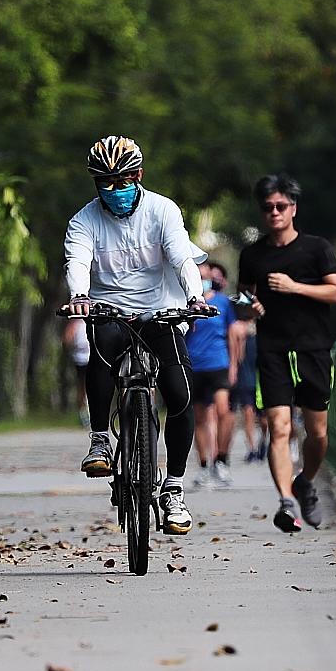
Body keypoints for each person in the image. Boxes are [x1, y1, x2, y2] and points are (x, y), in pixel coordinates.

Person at [64, 135, 214, 535]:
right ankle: (100, 439)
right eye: (105, 183)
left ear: (139, 175)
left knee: (181, 395)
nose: (116, 190)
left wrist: (194, 299)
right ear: (96, 185)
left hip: (159, 312)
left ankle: (174, 488)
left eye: (123, 180)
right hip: (109, 311)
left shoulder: (163, 210)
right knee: (101, 352)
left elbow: (182, 257)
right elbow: (77, 259)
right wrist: (79, 296)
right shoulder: (84, 220)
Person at [237, 174, 336, 533]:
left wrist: (295, 286)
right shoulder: (252, 255)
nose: (274, 213)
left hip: (313, 348)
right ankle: (285, 501)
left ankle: (305, 482)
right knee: (279, 427)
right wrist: (250, 308)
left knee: (317, 433)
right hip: (272, 350)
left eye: (281, 206)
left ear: (293, 209)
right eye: (267, 208)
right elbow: (242, 300)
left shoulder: (317, 249)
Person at [186, 262, 234, 488]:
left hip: (219, 362)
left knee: (224, 411)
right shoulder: (185, 303)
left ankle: (221, 459)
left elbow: (232, 333)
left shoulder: (223, 302)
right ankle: (204, 464)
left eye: (206, 276)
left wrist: (233, 365)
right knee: (199, 417)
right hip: (194, 365)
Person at [227, 297, 264, 463]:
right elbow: (238, 356)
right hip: (246, 374)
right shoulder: (238, 329)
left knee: (264, 417)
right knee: (248, 412)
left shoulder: (263, 327)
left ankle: (263, 442)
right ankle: (252, 447)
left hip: (262, 374)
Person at [63, 316, 92, 429]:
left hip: (93, 356)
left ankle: (95, 412)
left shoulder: (94, 321)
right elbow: (67, 339)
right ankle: (84, 416)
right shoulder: (75, 323)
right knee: (82, 386)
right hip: (81, 358)